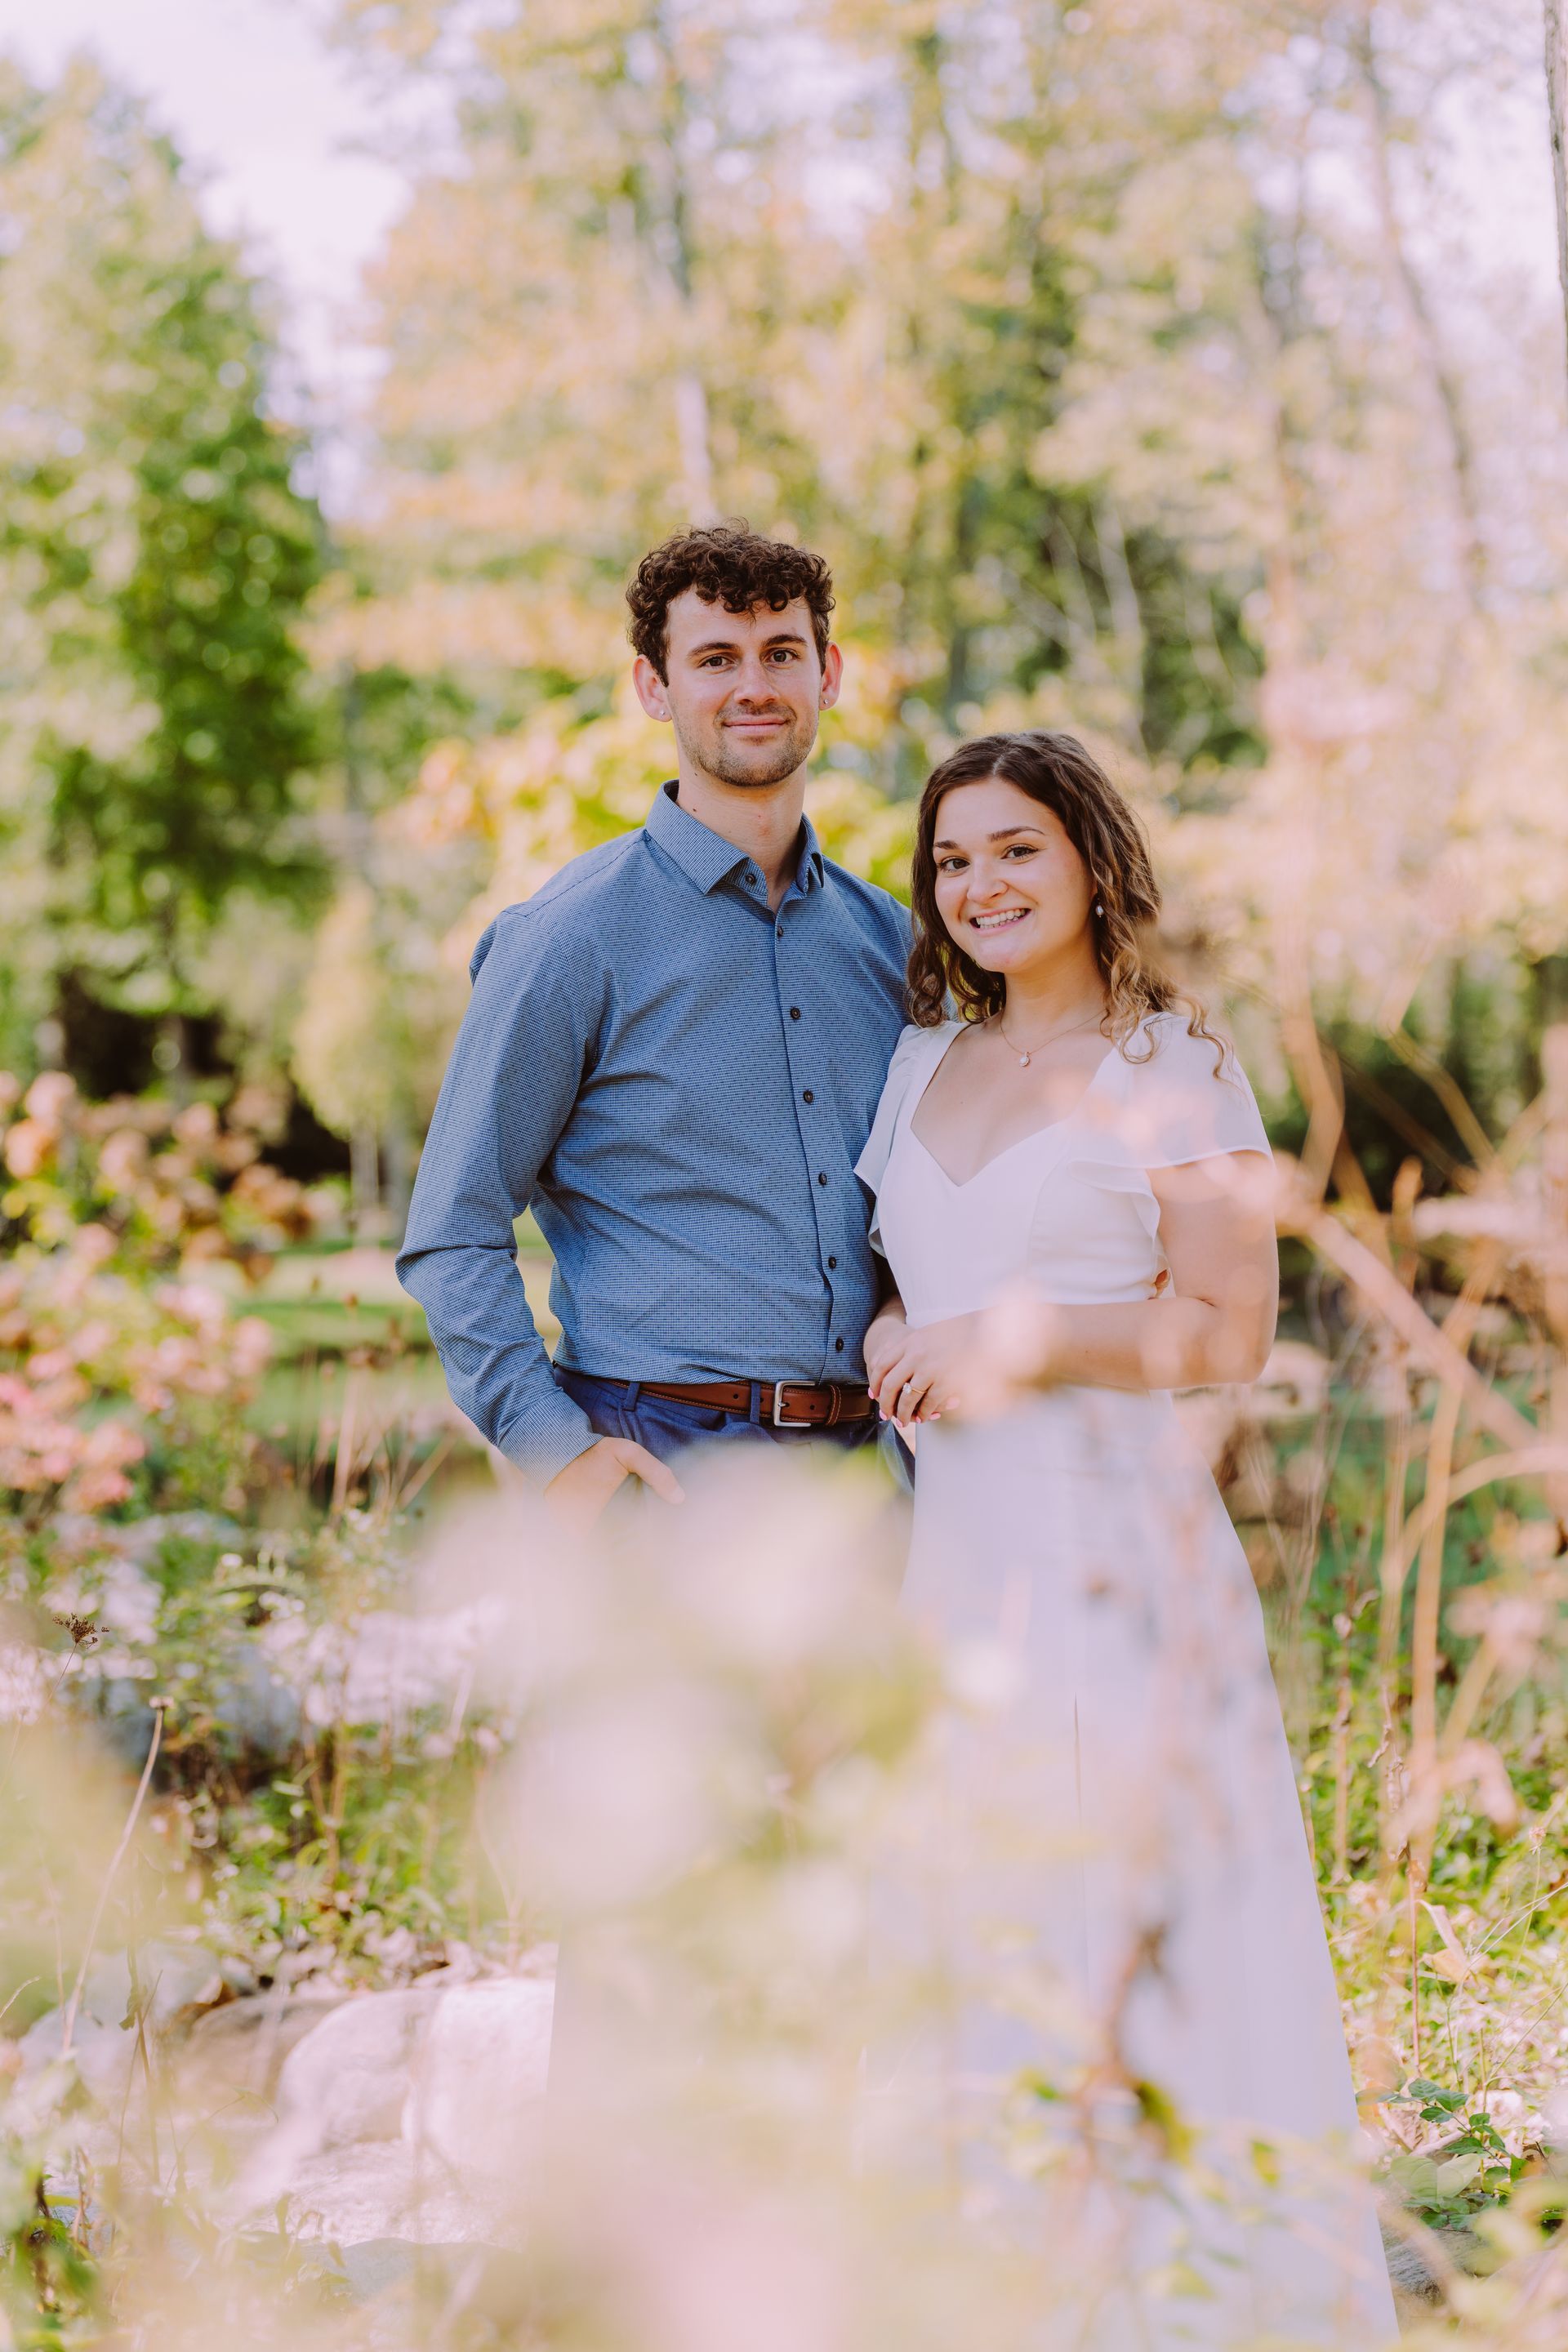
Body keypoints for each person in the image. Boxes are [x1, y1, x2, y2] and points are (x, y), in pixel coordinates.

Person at [854, 731, 1396, 2345]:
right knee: (971, 1928)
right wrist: (904, 1327)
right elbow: (917, 1275)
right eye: (953, 861)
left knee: (1129, 1928)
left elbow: (1227, 1331)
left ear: (1093, 860)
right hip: (950, 1568)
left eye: (1016, 848)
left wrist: (1019, 1334)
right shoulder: (912, 1064)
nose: (981, 885)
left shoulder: (1182, 1067)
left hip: (1113, 1569)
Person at [396, 523, 910, 1525]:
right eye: (714, 658)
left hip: (868, 1471)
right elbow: (452, 1231)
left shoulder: (888, 940)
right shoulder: (569, 936)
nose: (753, 685)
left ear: (829, 673)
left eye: (781, 654)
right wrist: (556, 1451)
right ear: (654, 688)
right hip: (661, 1461)